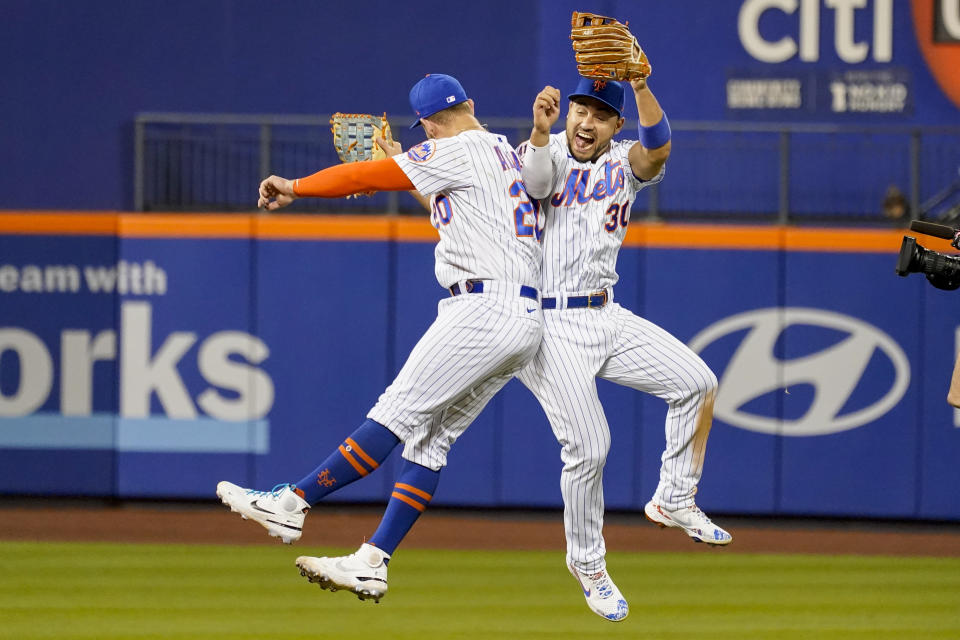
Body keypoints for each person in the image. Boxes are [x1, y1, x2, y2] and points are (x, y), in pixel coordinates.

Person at [216, 73, 544, 603]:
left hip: (483, 309)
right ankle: (373, 562)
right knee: (430, 442)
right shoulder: (501, 152)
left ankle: (293, 504)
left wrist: (293, 186)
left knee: (395, 413)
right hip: (523, 317)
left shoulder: (452, 148)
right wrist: (414, 172)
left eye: (426, 130)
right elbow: (465, 216)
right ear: (471, 104)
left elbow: (361, 176)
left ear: (430, 123)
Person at [514, 76, 730, 622]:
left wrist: (641, 84)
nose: (584, 122)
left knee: (697, 383)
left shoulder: (623, 165)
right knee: (589, 447)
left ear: (614, 126)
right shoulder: (545, 150)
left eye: (598, 115)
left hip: (604, 313)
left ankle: (674, 498)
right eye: (578, 110)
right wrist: (541, 132)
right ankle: (587, 564)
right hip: (548, 322)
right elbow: (537, 187)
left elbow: (658, 147)